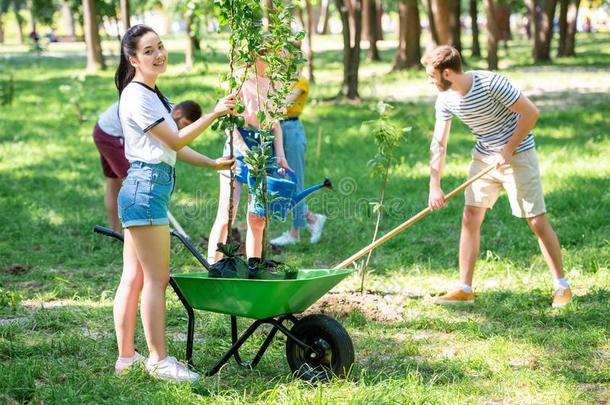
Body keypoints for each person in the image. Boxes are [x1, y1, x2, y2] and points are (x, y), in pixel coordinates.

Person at [113, 24, 236, 382]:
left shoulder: (154, 95)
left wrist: (212, 163)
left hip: (144, 186)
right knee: (155, 278)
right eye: (148, 50)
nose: (158, 54)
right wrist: (214, 113)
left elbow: (172, 147)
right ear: (133, 59)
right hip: (146, 188)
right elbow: (175, 139)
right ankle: (159, 360)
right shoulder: (137, 96)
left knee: (134, 277)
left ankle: (126, 359)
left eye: (160, 46)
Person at [421, 45, 571, 308]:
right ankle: (465, 289)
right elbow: (439, 143)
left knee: (536, 220)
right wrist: (435, 185)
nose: (429, 80)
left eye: (431, 75)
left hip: (518, 153)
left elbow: (531, 113)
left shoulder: (491, 83)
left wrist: (508, 149)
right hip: (484, 157)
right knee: (470, 216)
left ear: (447, 73)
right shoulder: (445, 99)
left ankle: (562, 286)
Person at [207, 53, 290, 265]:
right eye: (267, 54)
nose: (274, 58)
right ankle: (213, 267)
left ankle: (254, 267)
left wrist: (279, 155)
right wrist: (245, 151)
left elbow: (276, 125)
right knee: (227, 216)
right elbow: (231, 122)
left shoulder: (275, 84)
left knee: (257, 217)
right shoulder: (239, 80)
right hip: (238, 151)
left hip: (263, 152)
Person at [93, 100, 203, 232]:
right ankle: (130, 232)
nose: (182, 128)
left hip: (105, 130)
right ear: (178, 113)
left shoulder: (169, 114)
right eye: (184, 124)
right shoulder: (162, 117)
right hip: (110, 134)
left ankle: (117, 232)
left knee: (114, 181)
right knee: (134, 186)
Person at [269, 73, 326, 246]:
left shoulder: (300, 81)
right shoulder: (274, 79)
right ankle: (312, 218)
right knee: (276, 182)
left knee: (294, 181)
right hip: (273, 129)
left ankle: (295, 233)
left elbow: (281, 104)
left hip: (291, 129)